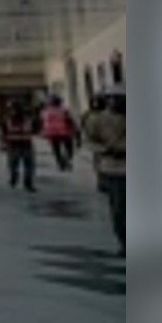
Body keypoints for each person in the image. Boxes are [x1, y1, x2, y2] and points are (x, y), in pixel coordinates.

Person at [86, 92, 127, 254]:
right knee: (119, 210)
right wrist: (106, 150)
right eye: (114, 99)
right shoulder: (98, 120)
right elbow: (90, 141)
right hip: (115, 169)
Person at [0, 98, 41, 192]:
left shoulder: (7, 120)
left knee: (14, 165)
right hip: (25, 144)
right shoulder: (28, 119)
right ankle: (27, 183)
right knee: (28, 165)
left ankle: (14, 179)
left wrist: (2, 144)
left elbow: (3, 133)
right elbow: (36, 130)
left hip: (14, 145)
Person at [41, 94, 78, 172]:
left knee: (56, 149)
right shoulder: (64, 110)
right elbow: (70, 120)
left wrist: (44, 132)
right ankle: (67, 159)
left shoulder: (46, 111)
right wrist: (74, 129)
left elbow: (43, 123)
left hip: (52, 133)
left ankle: (60, 163)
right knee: (69, 148)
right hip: (64, 132)